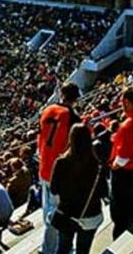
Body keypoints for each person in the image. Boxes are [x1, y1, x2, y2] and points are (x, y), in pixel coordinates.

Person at [37, 83, 81, 254]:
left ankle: (51, 247)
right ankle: (48, 250)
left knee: (47, 208)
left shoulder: (47, 110)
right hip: (59, 172)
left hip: (44, 166)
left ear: (61, 94)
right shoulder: (73, 117)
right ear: (76, 98)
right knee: (54, 213)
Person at [49, 123, 107, 254]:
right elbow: (104, 192)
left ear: (71, 139)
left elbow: (53, 189)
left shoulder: (61, 162)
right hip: (91, 215)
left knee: (63, 248)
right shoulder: (97, 165)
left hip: (67, 214)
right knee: (83, 250)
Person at [109, 89, 133, 239]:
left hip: (125, 171)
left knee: (120, 205)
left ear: (126, 102)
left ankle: (120, 235)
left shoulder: (128, 125)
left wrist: (114, 166)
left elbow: (123, 156)